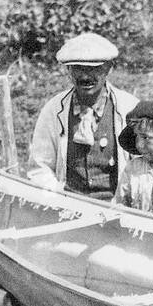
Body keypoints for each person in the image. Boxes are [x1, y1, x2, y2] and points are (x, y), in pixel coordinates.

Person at [28, 32, 138, 200]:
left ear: (109, 68)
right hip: (69, 208)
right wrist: (58, 201)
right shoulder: (53, 110)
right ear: (69, 71)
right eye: (78, 69)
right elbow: (39, 167)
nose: (86, 76)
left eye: (94, 69)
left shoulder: (129, 108)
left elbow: (145, 165)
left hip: (118, 209)